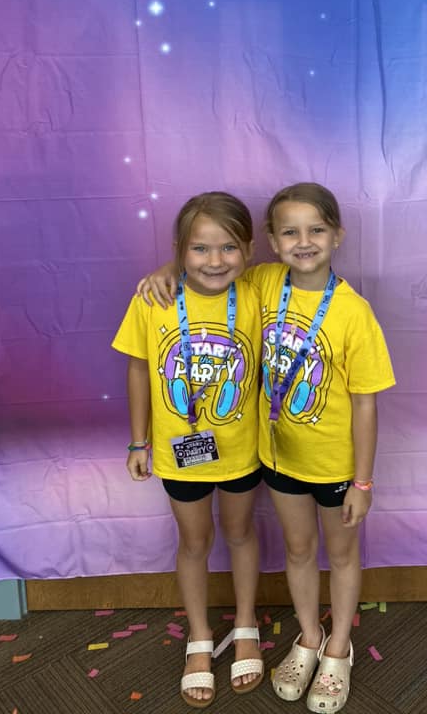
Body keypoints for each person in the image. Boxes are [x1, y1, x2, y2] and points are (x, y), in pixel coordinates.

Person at [138, 183, 396, 713]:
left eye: (316, 230)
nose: (304, 242)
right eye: (290, 232)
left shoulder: (354, 312)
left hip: (336, 466)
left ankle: (338, 650)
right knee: (298, 551)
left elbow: (367, 405)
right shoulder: (262, 281)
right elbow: (206, 269)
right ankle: (309, 637)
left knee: (340, 555)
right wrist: (167, 270)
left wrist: (363, 481)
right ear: (273, 244)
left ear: (338, 235)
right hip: (277, 459)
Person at [113, 192, 264, 708]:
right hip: (181, 455)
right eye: (199, 249)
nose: (215, 260)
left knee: (240, 533)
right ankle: (199, 636)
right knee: (194, 542)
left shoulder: (258, 294)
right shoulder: (153, 299)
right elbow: (138, 368)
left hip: (242, 450)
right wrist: (139, 440)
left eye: (228, 247)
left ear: (250, 249)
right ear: (179, 249)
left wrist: (171, 265)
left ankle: (246, 624)